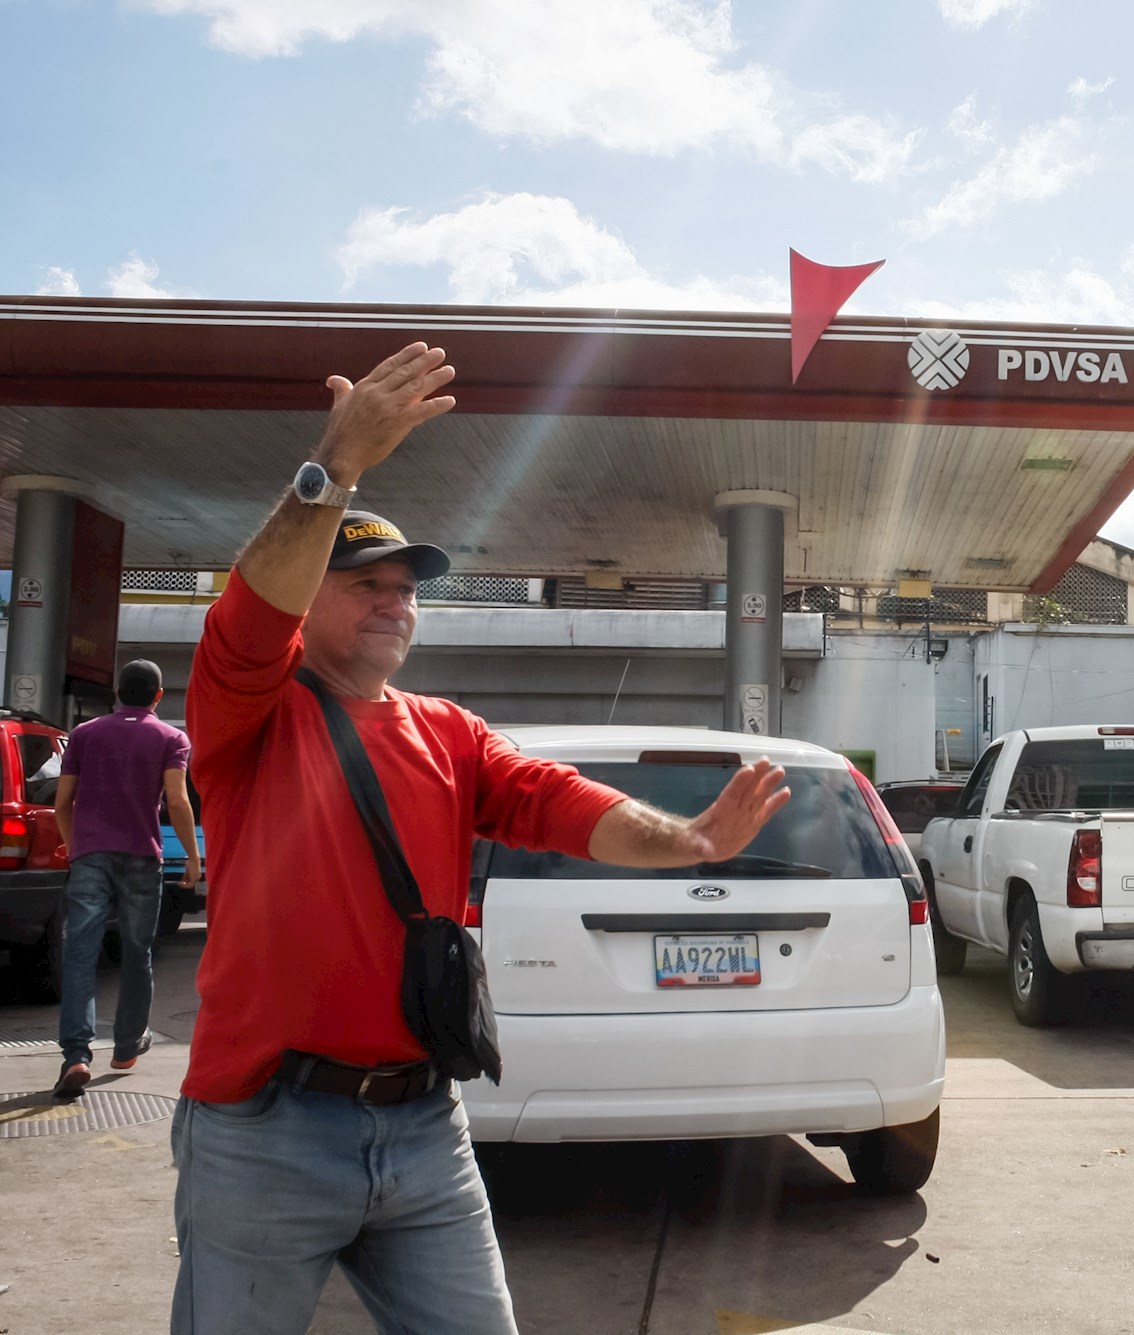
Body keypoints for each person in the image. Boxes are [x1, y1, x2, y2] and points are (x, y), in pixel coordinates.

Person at [171, 343, 790, 1335]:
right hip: (263, 1134)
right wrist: (335, 473)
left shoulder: (450, 732)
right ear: (307, 598)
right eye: (365, 580)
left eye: (406, 584)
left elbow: (565, 804)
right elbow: (248, 617)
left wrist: (690, 841)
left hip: (426, 1130)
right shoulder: (249, 705)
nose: (394, 599)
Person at [51, 658, 201, 1100]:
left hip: (90, 856)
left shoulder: (84, 734)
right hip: (142, 858)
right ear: (158, 696)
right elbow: (176, 800)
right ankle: (127, 1046)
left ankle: (76, 1055)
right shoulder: (172, 738)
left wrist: (73, 847)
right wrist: (192, 858)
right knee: (138, 955)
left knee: (80, 954)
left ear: (118, 693)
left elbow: (64, 802)